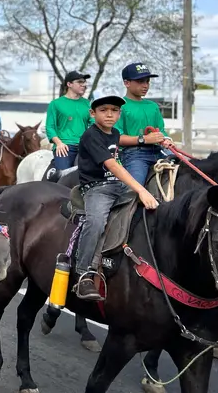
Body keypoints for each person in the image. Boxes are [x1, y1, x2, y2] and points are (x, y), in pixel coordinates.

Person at [73, 94, 160, 301]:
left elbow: (119, 145)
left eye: (114, 110)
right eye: (103, 110)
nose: (109, 114)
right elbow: (112, 165)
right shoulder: (90, 135)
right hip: (97, 188)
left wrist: (147, 140)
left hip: (118, 186)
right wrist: (141, 190)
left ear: (120, 114)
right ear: (92, 113)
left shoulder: (114, 133)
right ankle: (83, 273)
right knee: (96, 222)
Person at [116, 63, 173, 185]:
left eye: (147, 81)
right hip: (134, 154)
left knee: (186, 170)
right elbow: (117, 138)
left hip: (159, 150)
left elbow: (161, 130)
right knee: (136, 187)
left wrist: (166, 139)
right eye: (140, 81)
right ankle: (128, 198)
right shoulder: (119, 106)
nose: (145, 85)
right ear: (127, 83)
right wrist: (144, 139)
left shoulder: (153, 106)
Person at [45, 71, 92, 171]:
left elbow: (94, 125)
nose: (84, 85)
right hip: (64, 146)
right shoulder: (55, 104)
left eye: (84, 82)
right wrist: (59, 143)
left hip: (84, 147)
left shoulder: (88, 104)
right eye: (80, 82)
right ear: (69, 84)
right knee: (63, 175)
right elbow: (50, 127)